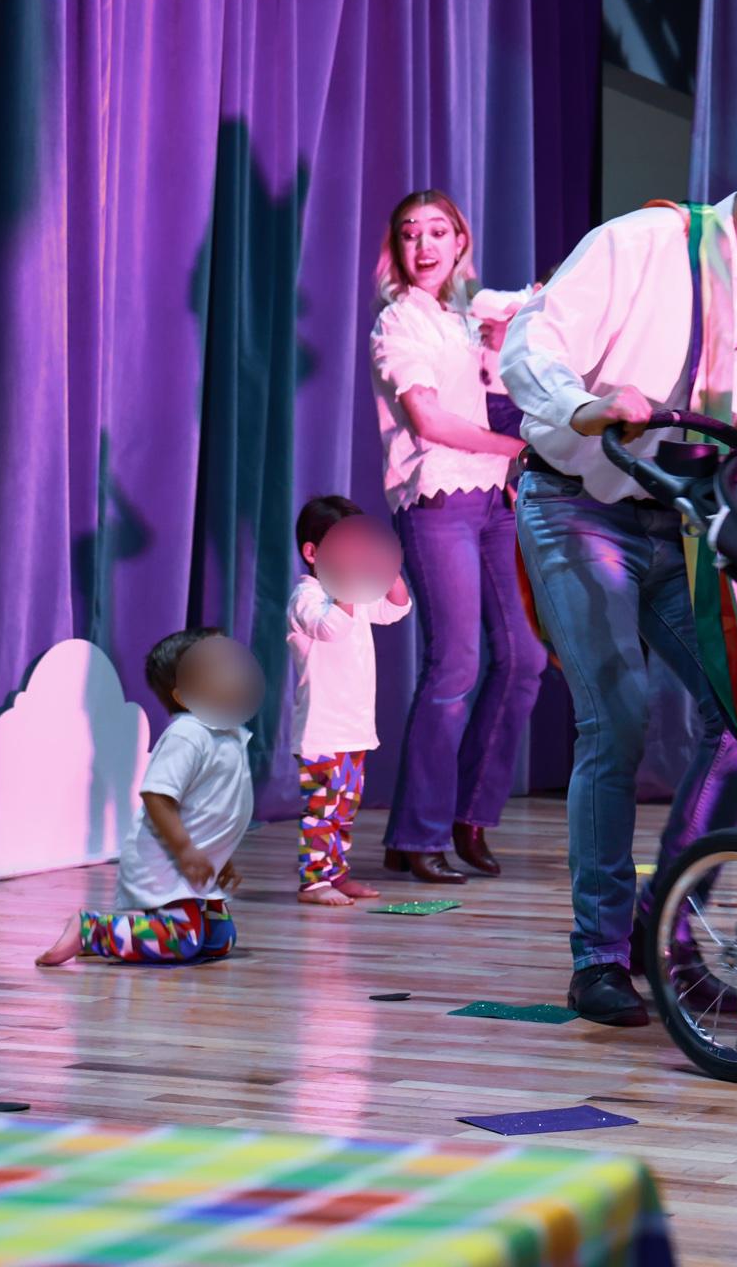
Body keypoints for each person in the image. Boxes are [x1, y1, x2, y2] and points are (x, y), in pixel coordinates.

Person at [502, 105, 737, 1025]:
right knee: (617, 720)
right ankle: (597, 956)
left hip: (690, 524)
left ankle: (662, 927)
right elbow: (529, 344)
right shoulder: (643, 243)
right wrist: (585, 405)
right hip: (579, 503)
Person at [370, 189, 546, 884]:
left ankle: (471, 816)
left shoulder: (470, 315)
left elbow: (531, 328)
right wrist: (516, 449)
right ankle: (417, 834)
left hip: (495, 500)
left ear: (460, 241)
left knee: (526, 658)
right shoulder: (398, 322)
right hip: (438, 497)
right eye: (410, 233)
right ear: (397, 247)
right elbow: (431, 422)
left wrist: (505, 344)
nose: (425, 245)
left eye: (438, 231)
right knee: (456, 664)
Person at [37, 630, 263, 966]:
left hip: (195, 865)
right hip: (167, 864)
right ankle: (92, 930)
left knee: (219, 941)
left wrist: (219, 854)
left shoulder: (228, 732)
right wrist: (186, 850)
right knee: (181, 942)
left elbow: (213, 809)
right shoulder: (187, 735)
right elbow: (157, 795)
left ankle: (130, 936)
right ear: (185, 697)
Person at [287, 495, 413, 906]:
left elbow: (396, 607)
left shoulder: (354, 594)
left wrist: (388, 566)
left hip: (354, 726)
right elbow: (331, 629)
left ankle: (336, 874)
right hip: (322, 730)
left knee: (344, 808)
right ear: (313, 553)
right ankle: (313, 882)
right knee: (322, 808)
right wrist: (347, 582)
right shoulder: (307, 596)